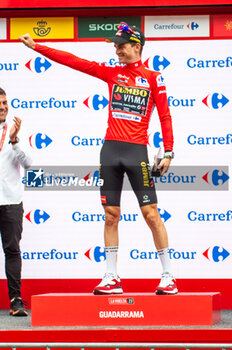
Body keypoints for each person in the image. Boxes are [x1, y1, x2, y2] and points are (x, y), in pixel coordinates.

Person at [19, 22, 178, 295]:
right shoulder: (112, 73)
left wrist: (168, 152)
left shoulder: (153, 77)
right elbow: (75, 62)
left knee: (151, 214)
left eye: (121, 45)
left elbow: (164, 116)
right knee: (110, 216)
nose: (116, 49)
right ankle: (111, 276)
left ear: (136, 47)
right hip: (110, 151)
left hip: (136, 151)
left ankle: (168, 276)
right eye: (115, 45)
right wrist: (37, 46)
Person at [0, 88, 32, 316]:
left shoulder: (16, 131)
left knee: (12, 251)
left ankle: (15, 300)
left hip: (10, 201)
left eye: (5, 103)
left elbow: (29, 163)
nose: (3, 107)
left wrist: (14, 141)